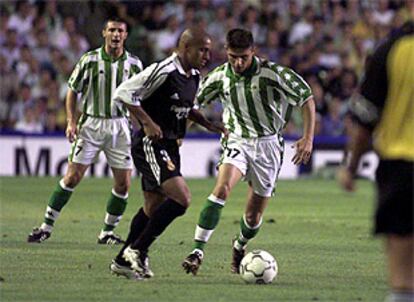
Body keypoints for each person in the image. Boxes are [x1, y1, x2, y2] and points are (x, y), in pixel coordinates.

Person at [182, 28, 316, 275]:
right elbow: (192, 106)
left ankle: (239, 245)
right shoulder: (220, 76)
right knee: (221, 189)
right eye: (233, 56)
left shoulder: (272, 74)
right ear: (226, 52)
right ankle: (197, 251)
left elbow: (306, 98)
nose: (238, 62)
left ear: (253, 51)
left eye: (243, 57)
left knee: (253, 217)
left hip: (268, 147)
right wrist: (179, 135)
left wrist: (308, 138)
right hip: (237, 141)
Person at [109, 27, 226, 280]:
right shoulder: (163, 70)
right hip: (151, 144)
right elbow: (123, 93)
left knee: (153, 207)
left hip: (171, 145)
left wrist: (209, 125)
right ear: (186, 48)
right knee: (182, 198)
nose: (207, 55)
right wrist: (147, 123)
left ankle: (122, 260)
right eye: (202, 50)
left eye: (209, 50)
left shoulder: (194, 75)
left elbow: (188, 107)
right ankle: (138, 249)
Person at [27, 18, 143, 244]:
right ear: (104, 33)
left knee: (123, 184)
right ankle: (45, 227)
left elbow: (140, 97)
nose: (116, 34)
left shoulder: (135, 64)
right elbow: (72, 90)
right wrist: (71, 121)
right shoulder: (89, 60)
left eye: (120, 30)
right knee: (72, 177)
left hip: (120, 126)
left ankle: (107, 233)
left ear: (126, 35)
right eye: (112, 30)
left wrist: (143, 121)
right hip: (91, 125)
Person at [337, 21, 413, 302]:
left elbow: (365, 120)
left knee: (403, 278)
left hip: (403, 166)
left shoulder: (392, 50)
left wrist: (351, 168)